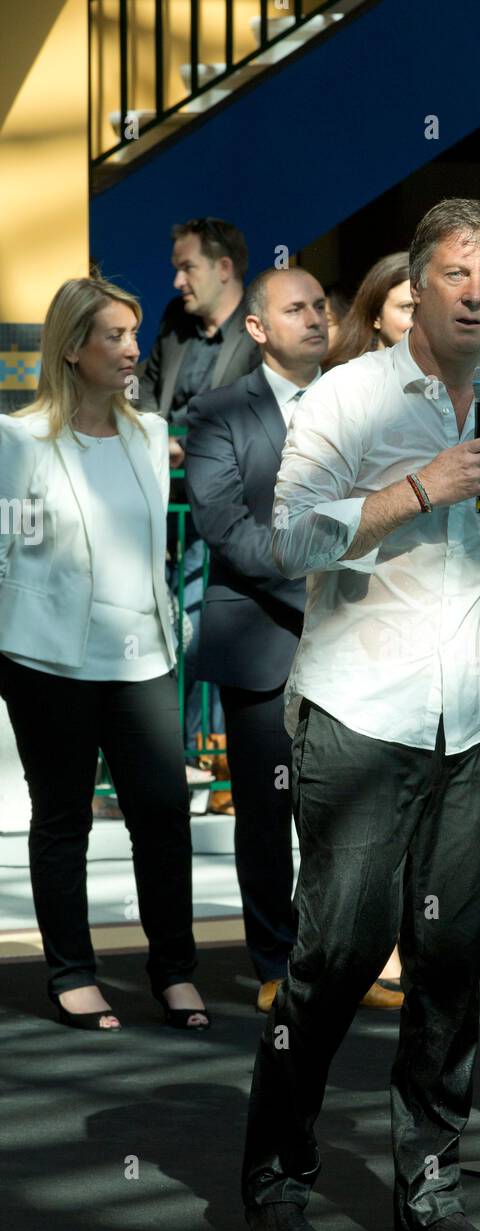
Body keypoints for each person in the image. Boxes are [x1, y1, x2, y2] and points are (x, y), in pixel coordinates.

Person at [240, 197, 480, 1231]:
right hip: (359, 711)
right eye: (457, 274)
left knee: (447, 963)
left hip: (467, 716)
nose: (476, 293)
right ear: (415, 285)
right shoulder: (347, 397)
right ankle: (275, 1174)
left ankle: (429, 1192)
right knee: (335, 957)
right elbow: (286, 539)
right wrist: (414, 488)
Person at [0, 277, 209, 1030]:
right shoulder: (19, 441)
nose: (132, 350)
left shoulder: (148, 435)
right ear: (72, 348)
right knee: (63, 819)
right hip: (46, 661)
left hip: (142, 657)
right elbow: (4, 548)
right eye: (114, 337)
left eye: (134, 334)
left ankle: (175, 970)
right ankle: (71, 973)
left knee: (162, 811)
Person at [184, 267, 328, 1014]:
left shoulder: (357, 401)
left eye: (320, 305)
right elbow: (222, 525)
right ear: (257, 327)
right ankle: (275, 963)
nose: (315, 317)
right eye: (295, 308)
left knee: (343, 815)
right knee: (268, 820)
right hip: (266, 642)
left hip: (354, 644)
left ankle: (337, 962)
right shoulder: (217, 412)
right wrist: (310, 586)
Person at [138, 217, 261, 777]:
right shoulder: (172, 324)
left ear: (224, 268)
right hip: (162, 509)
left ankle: (207, 760)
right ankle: (187, 760)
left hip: (228, 514)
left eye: (187, 268)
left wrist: (191, 447)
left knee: (199, 635)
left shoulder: (258, 329)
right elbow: (143, 386)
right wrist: (149, 432)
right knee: (169, 635)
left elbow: (265, 414)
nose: (178, 282)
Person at [323, 252, 414, 367]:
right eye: (407, 307)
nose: (423, 318)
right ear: (376, 316)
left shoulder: (440, 376)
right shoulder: (345, 380)